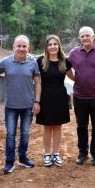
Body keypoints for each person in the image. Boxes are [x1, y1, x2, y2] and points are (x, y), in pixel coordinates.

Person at [0, 35, 41, 174]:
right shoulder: (5, 62)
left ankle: (23, 158)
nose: (21, 49)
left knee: (25, 133)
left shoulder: (33, 63)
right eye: (19, 46)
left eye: (24, 46)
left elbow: (38, 83)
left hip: (28, 105)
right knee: (10, 134)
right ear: (13, 47)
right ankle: (9, 163)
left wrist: (37, 102)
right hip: (10, 106)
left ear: (28, 48)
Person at [68, 26, 95, 167]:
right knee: (81, 126)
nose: (85, 38)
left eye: (88, 35)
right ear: (79, 38)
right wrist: (75, 78)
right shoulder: (74, 53)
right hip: (79, 97)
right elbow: (66, 68)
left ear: (93, 36)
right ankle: (82, 153)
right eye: (82, 36)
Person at [36, 35, 73, 167]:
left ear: (59, 46)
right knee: (47, 126)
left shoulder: (65, 61)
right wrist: (36, 101)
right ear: (46, 47)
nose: (52, 46)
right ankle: (47, 154)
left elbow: (73, 77)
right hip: (45, 97)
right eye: (50, 44)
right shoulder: (40, 61)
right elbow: (35, 80)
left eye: (55, 44)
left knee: (58, 126)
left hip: (60, 97)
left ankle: (56, 153)